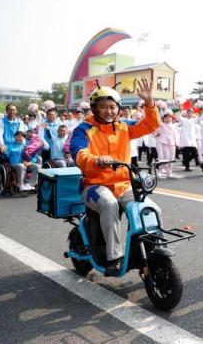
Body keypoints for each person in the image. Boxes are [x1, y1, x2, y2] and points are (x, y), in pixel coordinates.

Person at [70, 79, 161, 276]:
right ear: (94, 108)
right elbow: (78, 154)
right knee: (110, 204)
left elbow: (151, 125)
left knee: (151, 208)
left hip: (123, 185)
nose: (108, 111)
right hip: (94, 186)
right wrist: (96, 160)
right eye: (103, 107)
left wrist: (149, 102)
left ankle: (152, 252)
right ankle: (114, 258)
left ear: (118, 108)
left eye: (112, 107)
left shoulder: (124, 126)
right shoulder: (83, 129)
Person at [154, 109, 177, 178]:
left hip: (172, 143)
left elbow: (175, 135)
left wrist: (177, 143)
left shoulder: (173, 126)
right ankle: (160, 170)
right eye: (166, 118)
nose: (168, 119)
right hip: (164, 142)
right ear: (163, 118)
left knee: (171, 159)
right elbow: (155, 131)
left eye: (169, 117)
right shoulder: (161, 124)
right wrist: (156, 134)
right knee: (165, 158)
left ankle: (169, 172)